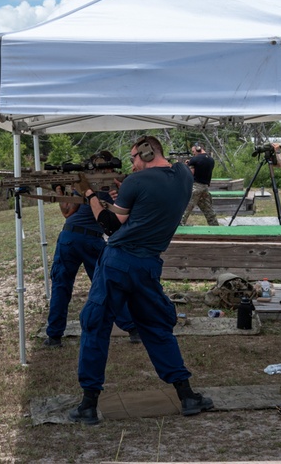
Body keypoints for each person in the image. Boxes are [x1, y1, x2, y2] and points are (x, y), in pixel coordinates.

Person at [68, 135, 213, 424]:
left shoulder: (136, 182)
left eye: (134, 157)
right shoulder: (183, 175)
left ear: (147, 153)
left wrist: (89, 195)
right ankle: (187, 396)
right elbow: (149, 201)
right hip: (148, 265)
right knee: (156, 327)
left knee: (95, 325)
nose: (131, 164)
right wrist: (126, 194)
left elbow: (108, 224)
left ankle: (88, 404)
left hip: (118, 262)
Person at [43, 153, 139, 348]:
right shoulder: (105, 185)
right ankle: (132, 329)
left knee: (61, 287)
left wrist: (62, 190)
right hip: (90, 240)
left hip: (70, 238)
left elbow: (67, 212)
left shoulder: (94, 185)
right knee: (107, 286)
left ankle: (54, 336)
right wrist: (62, 188)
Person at [180, 143, 220, 226]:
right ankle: (215, 227)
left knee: (185, 209)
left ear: (198, 149)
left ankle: (179, 227)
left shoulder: (194, 159)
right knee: (209, 211)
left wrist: (187, 166)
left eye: (193, 151)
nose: (193, 153)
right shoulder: (211, 160)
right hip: (205, 187)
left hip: (195, 187)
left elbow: (191, 174)